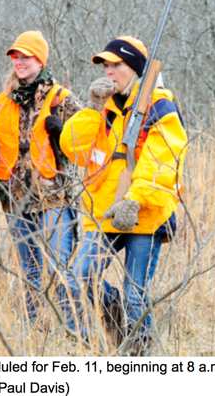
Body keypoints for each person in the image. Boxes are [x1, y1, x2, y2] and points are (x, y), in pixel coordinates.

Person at [59, 36, 188, 354]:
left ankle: (139, 357)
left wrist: (134, 199)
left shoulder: (160, 107)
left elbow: (162, 161)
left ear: (135, 69)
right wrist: (93, 108)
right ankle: (115, 318)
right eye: (106, 65)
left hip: (144, 214)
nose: (109, 70)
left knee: (136, 293)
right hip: (104, 212)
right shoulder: (105, 107)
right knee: (81, 275)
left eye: (116, 64)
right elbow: (73, 149)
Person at [0, 30, 83, 329]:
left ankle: (72, 327)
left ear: (40, 60)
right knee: (30, 270)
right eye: (15, 57)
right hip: (16, 196)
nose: (19, 62)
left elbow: (92, 141)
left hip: (54, 194)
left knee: (60, 266)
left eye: (26, 57)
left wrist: (63, 134)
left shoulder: (62, 98)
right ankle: (34, 328)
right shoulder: (3, 100)